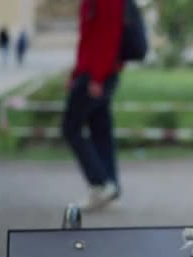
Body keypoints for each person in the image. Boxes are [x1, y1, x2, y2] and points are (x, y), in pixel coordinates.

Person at [61, 0, 125, 211]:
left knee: (70, 127)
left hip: (97, 74)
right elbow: (88, 37)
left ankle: (100, 183)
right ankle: (110, 187)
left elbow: (110, 35)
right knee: (100, 130)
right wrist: (75, 72)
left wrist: (96, 76)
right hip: (93, 72)